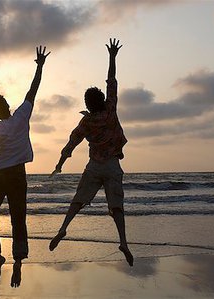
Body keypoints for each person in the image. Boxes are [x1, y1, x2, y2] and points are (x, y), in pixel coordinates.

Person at [49, 38, 133, 267]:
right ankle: (124, 242)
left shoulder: (85, 123)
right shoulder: (110, 109)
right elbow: (112, 81)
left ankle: (63, 228)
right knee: (116, 206)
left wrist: (59, 164)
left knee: (78, 200)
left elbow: (71, 144)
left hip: (94, 166)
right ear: (102, 100)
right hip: (112, 166)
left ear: (87, 103)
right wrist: (112, 56)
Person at [0, 46, 50, 287]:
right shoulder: (22, 115)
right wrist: (39, 66)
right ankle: (17, 263)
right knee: (18, 219)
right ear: (5, 105)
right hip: (17, 176)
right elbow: (32, 91)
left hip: (0, 175)